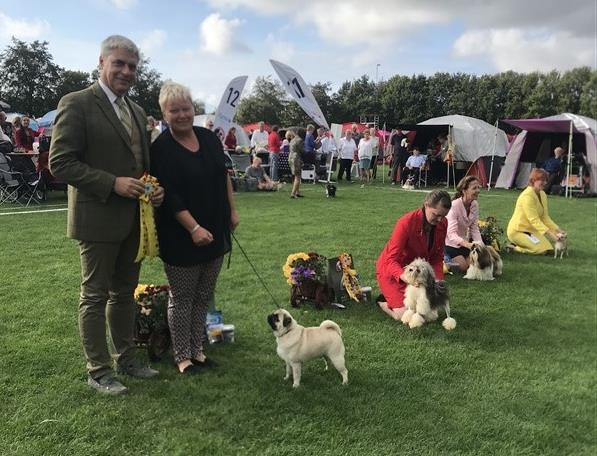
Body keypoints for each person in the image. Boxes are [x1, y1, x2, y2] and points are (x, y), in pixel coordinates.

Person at [49, 35, 164, 395]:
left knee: (125, 294)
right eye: (119, 64)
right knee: (95, 296)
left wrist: (152, 189)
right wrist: (112, 183)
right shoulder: (76, 103)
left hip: (134, 220)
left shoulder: (138, 111)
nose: (126, 71)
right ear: (101, 63)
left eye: (132, 66)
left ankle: (126, 359)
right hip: (97, 218)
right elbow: (60, 163)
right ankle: (98, 371)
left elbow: (140, 165)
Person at [150, 81, 239, 375]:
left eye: (185, 108)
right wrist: (194, 228)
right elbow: (170, 196)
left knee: (203, 295)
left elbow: (223, 176)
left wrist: (232, 210)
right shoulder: (161, 149)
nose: (181, 115)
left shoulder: (209, 138)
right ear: (164, 115)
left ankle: (197, 349)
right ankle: (182, 356)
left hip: (215, 229)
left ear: (193, 109)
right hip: (181, 235)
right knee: (182, 297)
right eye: (173, 110)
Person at [376, 190, 452, 320]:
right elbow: (390, 260)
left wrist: (437, 282)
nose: (440, 220)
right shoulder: (405, 223)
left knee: (429, 313)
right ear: (426, 205)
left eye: (443, 216)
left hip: (419, 274)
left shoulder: (443, 223)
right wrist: (407, 278)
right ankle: (382, 302)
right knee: (404, 314)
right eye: (436, 215)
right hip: (393, 271)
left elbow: (437, 257)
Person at [506, 168, 566, 255]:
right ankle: (515, 248)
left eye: (546, 180)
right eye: (542, 180)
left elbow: (545, 217)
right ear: (533, 180)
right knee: (542, 251)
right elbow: (534, 220)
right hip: (518, 231)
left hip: (531, 231)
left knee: (548, 249)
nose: (545, 183)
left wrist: (558, 230)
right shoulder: (527, 196)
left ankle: (523, 245)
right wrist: (551, 234)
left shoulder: (542, 194)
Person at [445, 176, 483, 272]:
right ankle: (445, 259)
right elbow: (451, 234)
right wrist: (467, 244)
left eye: (478, 187)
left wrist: (481, 245)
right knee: (463, 267)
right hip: (450, 244)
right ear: (464, 190)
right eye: (474, 188)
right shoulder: (454, 206)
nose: (478, 191)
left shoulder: (474, 204)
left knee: (474, 266)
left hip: (465, 244)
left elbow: (474, 229)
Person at [288, 128, 305, 198]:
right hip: (296, 158)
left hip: (291, 157)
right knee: (298, 176)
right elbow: (302, 150)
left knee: (295, 175)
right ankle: (293, 193)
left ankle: (297, 192)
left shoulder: (292, 139)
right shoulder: (300, 140)